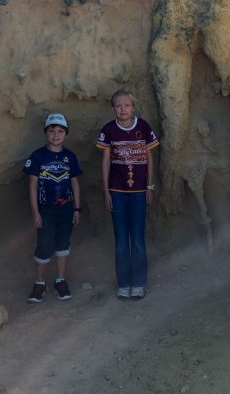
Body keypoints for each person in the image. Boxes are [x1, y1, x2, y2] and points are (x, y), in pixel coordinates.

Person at [96, 89, 159, 300]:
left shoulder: (143, 127)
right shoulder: (109, 130)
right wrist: (106, 192)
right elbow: (105, 163)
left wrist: (150, 187)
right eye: (118, 105)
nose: (123, 109)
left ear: (133, 107)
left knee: (138, 239)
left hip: (139, 192)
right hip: (117, 191)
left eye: (127, 105)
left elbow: (150, 158)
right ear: (113, 108)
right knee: (121, 239)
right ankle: (124, 283)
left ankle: (139, 282)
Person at [23, 113, 82, 303]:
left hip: (66, 208)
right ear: (45, 133)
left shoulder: (69, 156)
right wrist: (35, 212)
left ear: (66, 134)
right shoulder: (38, 156)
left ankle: (60, 280)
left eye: (60, 131)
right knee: (45, 244)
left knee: (63, 244)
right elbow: (32, 185)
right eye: (52, 131)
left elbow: (75, 183)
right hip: (46, 209)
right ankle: (39, 283)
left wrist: (77, 209)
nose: (56, 135)